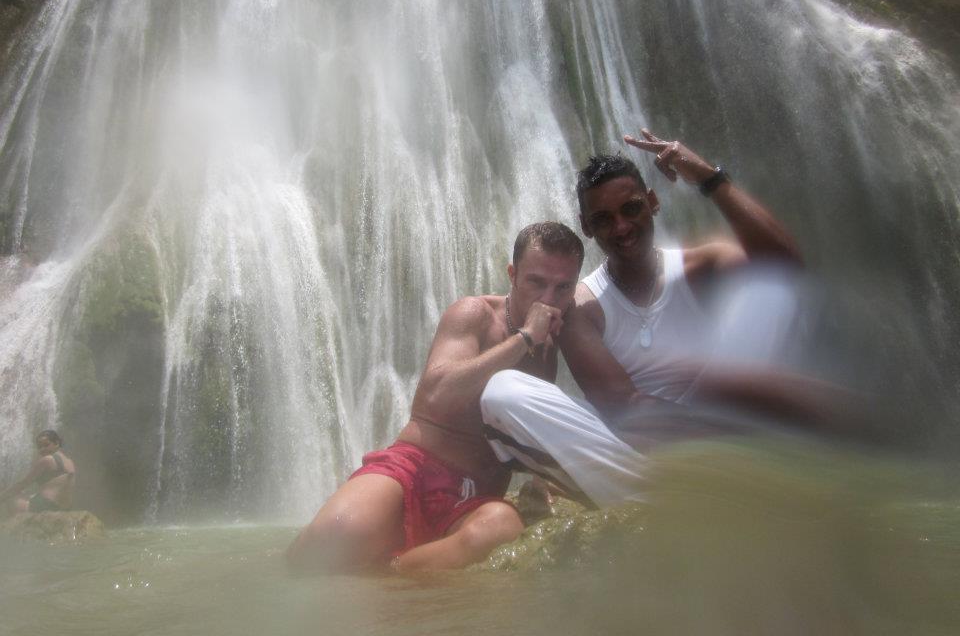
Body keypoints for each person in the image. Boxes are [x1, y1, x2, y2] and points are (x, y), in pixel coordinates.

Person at [481, 130, 853, 508]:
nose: (621, 227)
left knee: (769, 296)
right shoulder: (580, 308)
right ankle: (721, 475)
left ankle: (721, 476)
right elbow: (628, 410)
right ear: (587, 227)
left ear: (653, 202)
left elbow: (783, 268)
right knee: (505, 391)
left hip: (725, 413)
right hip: (647, 451)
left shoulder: (700, 267)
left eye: (631, 209)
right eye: (604, 219)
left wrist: (709, 178)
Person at [286, 222, 585, 573]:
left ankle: (388, 569)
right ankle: (381, 553)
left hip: (475, 498)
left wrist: (542, 478)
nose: (548, 299)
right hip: (415, 469)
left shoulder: (555, 340)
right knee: (330, 541)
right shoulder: (474, 314)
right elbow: (438, 391)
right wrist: (524, 338)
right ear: (513, 275)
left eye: (562, 287)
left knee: (501, 528)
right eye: (536, 282)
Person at [1, 430, 76, 515]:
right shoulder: (69, 461)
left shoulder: (47, 459)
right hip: (64, 508)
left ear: (56, 443)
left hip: (46, 505)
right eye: (40, 447)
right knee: (25, 495)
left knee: (11, 497)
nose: (42, 449)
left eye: (46, 445)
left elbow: (23, 483)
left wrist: (2, 496)